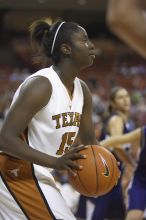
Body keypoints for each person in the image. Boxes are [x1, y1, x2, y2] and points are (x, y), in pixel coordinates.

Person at [0, 19, 98, 220]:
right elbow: (5, 139)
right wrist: (56, 162)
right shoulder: (42, 85)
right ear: (66, 49)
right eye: (84, 40)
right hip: (13, 172)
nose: (92, 45)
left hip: (39, 174)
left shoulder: (83, 90)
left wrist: (108, 166)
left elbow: (90, 143)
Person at [76, 86, 135, 220]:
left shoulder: (128, 121)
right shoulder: (116, 120)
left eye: (126, 96)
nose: (125, 100)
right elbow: (117, 145)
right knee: (99, 213)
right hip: (103, 170)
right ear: (113, 103)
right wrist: (131, 164)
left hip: (113, 172)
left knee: (116, 213)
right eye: (120, 97)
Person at [100, 126, 146, 220]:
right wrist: (94, 147)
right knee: (134, 216)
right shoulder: (143, 132)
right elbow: (115, 140)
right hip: (141, 181)